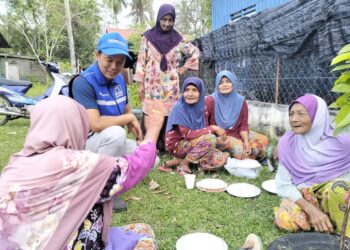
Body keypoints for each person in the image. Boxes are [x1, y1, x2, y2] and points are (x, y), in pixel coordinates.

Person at [0, 95, 165, 249]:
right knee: (144, 233)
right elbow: (133, 168)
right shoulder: (73, 164)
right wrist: (154, 129)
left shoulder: (15, 164)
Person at [71, 32, 142, 211]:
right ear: (97, 55)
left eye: (119, 62)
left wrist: (133, 122)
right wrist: (129, 118)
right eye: (109, 60)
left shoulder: (119, 79)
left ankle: (116, 172)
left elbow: (126, 108)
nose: (114, 66)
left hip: (108, 143)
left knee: (150, 158)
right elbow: (95, 124)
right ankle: (102, 189)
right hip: (85, 145)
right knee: (116, 133)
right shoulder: (83, 82)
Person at [274, 94, 350, 237]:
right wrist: (310, 209)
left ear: (318, 117)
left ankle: (343, 232)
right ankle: (325, 220)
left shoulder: (342, 142)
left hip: (335, 195)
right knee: (285, 219)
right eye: (291, 114)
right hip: (306, 195)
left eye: (301, 114)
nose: (294, 119)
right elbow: (283, 184)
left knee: (338, 189)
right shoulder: (287, 143)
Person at [134, 3, 200, 153]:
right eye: (164, 19)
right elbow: (141, 60)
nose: (167, 23)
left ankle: (166, 145)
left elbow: (195, 52)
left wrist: (182, 68)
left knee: (168, 113)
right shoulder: (148, 37)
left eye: (170, 20)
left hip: (170, 87)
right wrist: (140, 84)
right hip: (151, 85)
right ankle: (149, 144)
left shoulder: (179, 39)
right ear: (158, 19)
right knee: (151, 112)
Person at [165, 77, 229, 173]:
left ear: (201, 92)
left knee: (220, 157)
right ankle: (185, 163)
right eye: (187, 90)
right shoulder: (179, 108)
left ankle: (179, 161)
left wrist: (218, 139)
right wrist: (213, 128)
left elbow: (205, 128)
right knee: (210, 139)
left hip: (195, 142)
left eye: (194, 90)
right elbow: (188, 135)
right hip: (178, 145)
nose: (190, 94)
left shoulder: (203, 107)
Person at [205, 70, 269, 160]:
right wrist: (216, 129)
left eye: (228, 81)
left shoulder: (240, 101)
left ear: (233, 83)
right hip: (219, 137)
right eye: (221, 83)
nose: (224, 85)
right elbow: (204, 125)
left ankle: (242, 153)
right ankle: (241, 155)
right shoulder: (210, 100)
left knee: (263, 139)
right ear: (217, 85)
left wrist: (246, 141)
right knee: (240, 149)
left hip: (236, 133)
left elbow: (243, 125)